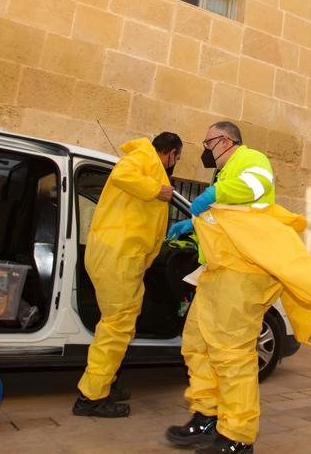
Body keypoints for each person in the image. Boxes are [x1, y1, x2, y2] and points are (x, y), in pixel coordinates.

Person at [164, 121, 278, 454]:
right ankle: (206, 415)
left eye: (208, 142)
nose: (206, 149)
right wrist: (195, 226)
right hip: (216, 271)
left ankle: (238, 436)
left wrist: (211, 197)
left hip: (243, 272)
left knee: (232, 355)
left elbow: (255, 185)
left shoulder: (249, 159)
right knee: (196, 345)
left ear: (225, 141)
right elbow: (224, 221)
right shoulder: (223, 175)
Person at [73, 132, 182, 418]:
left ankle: (105, 382)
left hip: (122, 257)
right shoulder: (144, 156)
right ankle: (92, 397)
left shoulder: (148, 163)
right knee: (117, 325)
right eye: (177, 158)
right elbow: (122, 174)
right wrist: (156, 191)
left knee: (120, 324)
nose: (176, 164)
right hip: (119, 256)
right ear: (170, 151)